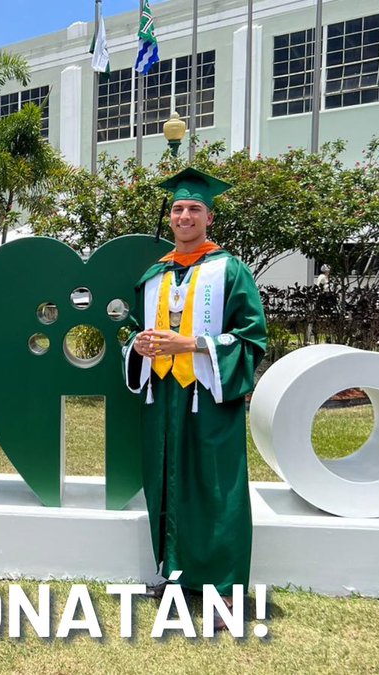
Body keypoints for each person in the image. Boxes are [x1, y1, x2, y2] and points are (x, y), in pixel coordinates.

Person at [123, 167, 267, 630]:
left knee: (215, 487)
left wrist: (193, 345)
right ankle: (176, 578)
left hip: (208, 394)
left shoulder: (229, 269)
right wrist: (137, 347)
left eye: (194, 209)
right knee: (165, 481)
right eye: (178, 208)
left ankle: (225, 592)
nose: (185, 215)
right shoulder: (154, 274)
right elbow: (132, 331)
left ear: (209, 216)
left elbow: (252, 339)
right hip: (163, 395)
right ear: (170, 217)